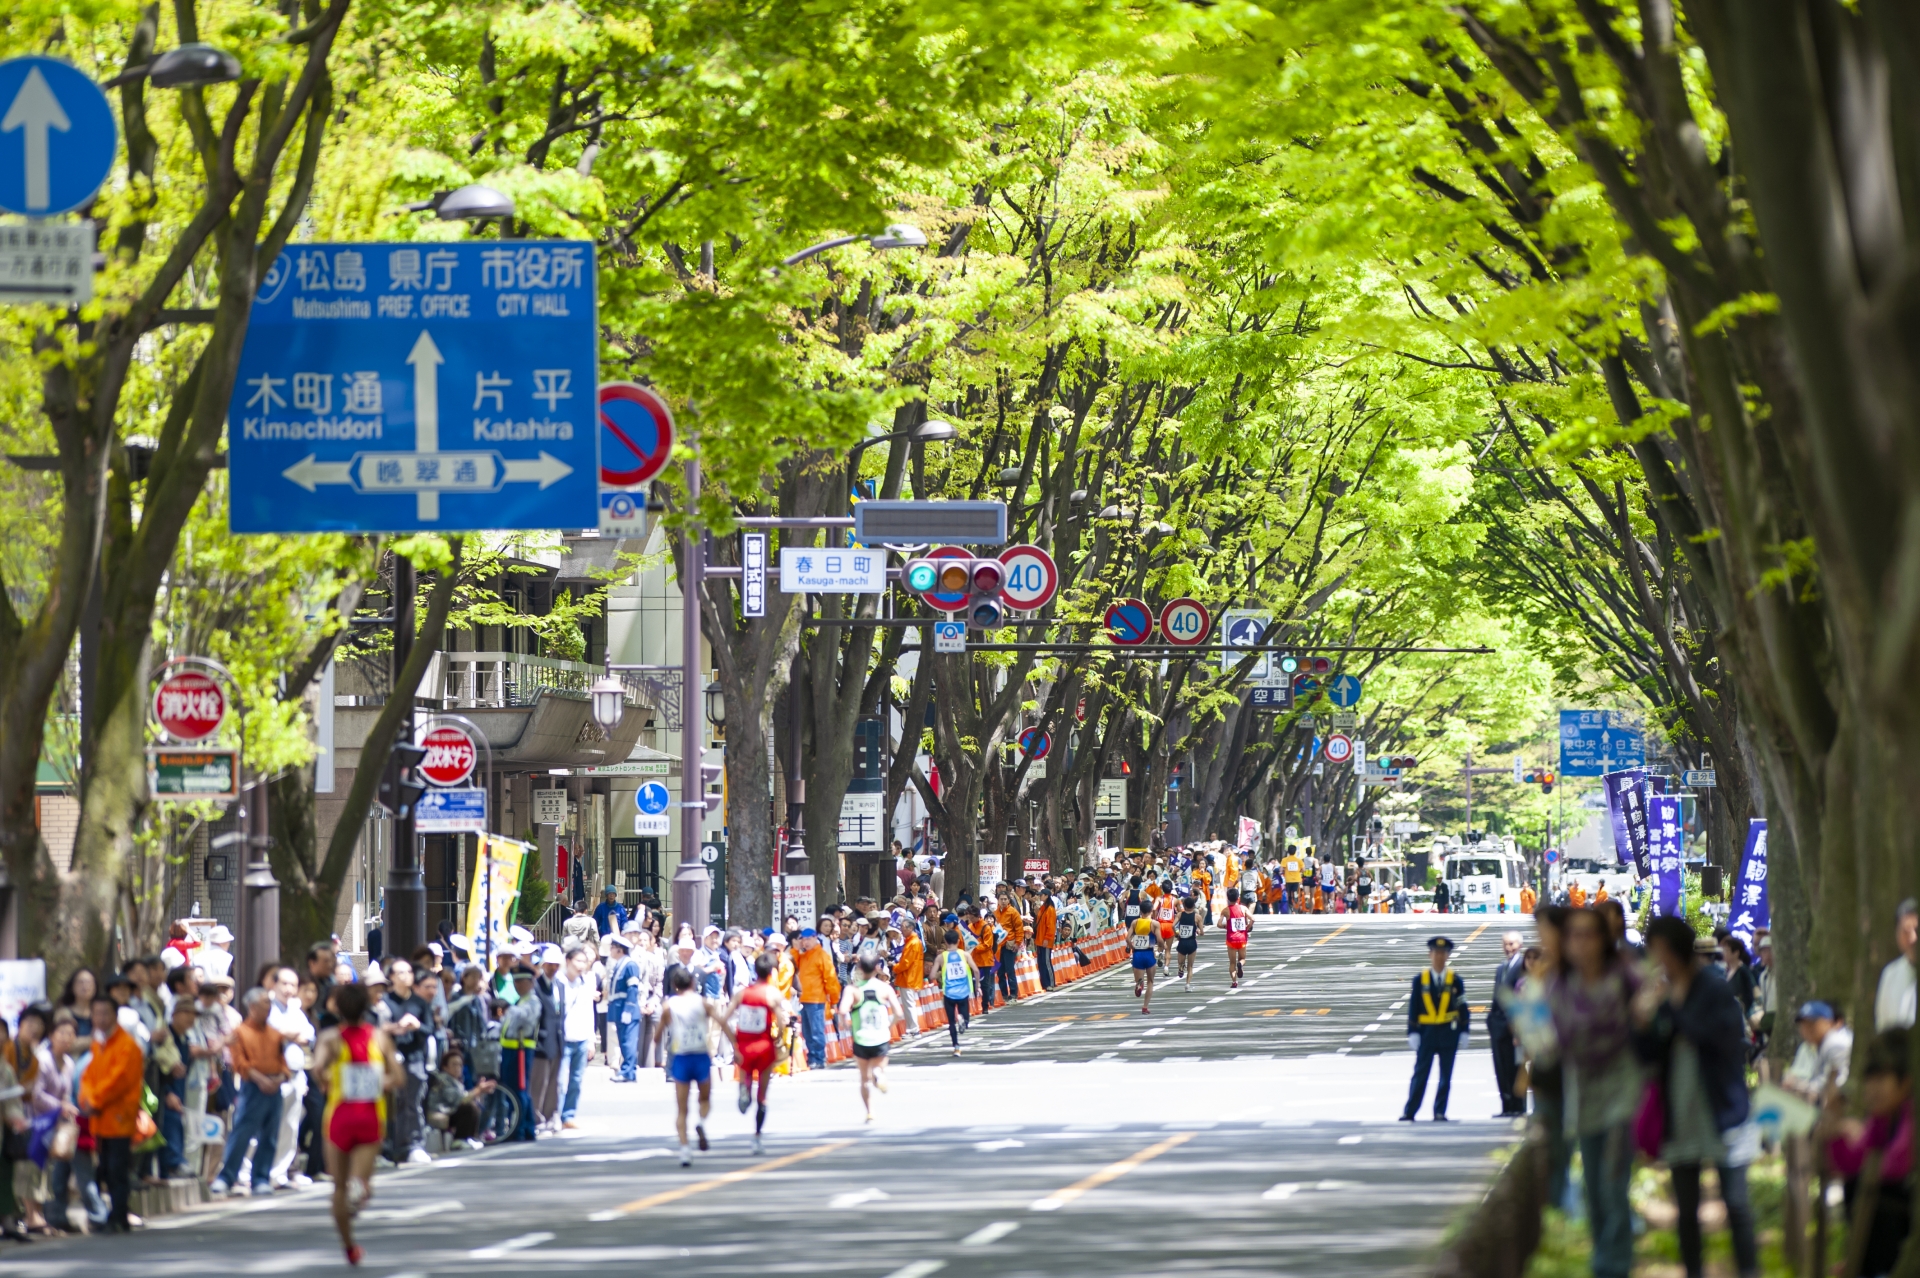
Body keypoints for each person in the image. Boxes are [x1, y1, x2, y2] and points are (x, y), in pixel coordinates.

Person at [1635, 914, 1760, 1278]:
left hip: (1723, 1109)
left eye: (1660, 951)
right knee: (1686, 1210)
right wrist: (1640, 1025)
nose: (1658, 961)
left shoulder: (1713, 990)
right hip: (1681, 1111)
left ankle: (1749, 1270)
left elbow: (1721, 1040)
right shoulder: (1665, 995)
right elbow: (1649, 1055)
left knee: (1736, 1203)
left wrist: (1673, 1010)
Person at [1549, 907, 1642, 1278]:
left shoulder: (1625, 977)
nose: (1582, 943)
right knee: (1592, 1187)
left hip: (1623, 1093)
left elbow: (1649, 1022)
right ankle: (1603, 1257)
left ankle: (1613, 1265)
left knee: (1613, 1183)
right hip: (1584, 1098)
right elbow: (1551, 1045)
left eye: (1589, 934)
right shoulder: (1560, 986)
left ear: (1603, 939)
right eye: (1574, 935)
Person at [309, 982, 404, 1267]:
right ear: (367, 1006)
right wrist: (379, 1081)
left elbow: (317, 1068)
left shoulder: (329, 1038)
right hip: (369, 1118)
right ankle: (358, 1192)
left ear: (337, 1007)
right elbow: (399, 1078)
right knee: (361, 1183)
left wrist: (326, 1080)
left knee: (338, 1188)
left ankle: (349, 1246)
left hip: (339, 1117)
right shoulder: (379, 1037)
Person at [1823, 1027, 1914, 1277]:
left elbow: (1898, 1163)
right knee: (1854, 1185)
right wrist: (1836, 1129)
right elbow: (1849, 1164)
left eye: (1881, 1079)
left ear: (1905, 1082)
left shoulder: (1910, 1115)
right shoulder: (1880, 1121)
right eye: (1869, 1080)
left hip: (1900, 1235)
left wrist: (1865, 1163)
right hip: (1877, 1246)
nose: (1872, 1089)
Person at [211, 988, 288, 1199]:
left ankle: (261, 1178)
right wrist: (262, 1080)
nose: (269, 1007)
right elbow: (240, 1063)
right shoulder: (240, 1032)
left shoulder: (275, 1034)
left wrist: (280, 1078)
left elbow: (283, 1062)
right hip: (253, 1086)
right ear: (252, 1007)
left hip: (274, 1085)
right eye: (265, 1003)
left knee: (270, 1134)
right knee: (242, 1132)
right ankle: (226, 1177)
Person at [654, 967, 734, 1166]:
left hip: (681, 1057)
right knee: (705, 1099)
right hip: (700, 1055)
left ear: (675, 986)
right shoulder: (703, 1003)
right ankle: (701, 1122)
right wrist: (736, 1046)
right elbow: (722, 1023)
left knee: (682, 1109)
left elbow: (657, 1035)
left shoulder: (669, 1006)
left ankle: (684, 1150)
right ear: (692, 983)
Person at [727, 953, 789, 1154]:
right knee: (762, 1094)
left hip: (744, 1045)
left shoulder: (742, 994)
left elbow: (724, 1018)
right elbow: (782, 1019)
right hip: (764, 1045)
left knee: (745, 1074)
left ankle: (744, 1089)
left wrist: (734, 1040)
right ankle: (757, 1136)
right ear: (771, 972)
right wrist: (779, 1037)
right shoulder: (773, 994)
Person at [1402, 936, 1469, 1123]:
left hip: (1448, 1033)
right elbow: (1414, 1007)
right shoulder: (1420, 980)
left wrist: (1465, 1029)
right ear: (1429, 955)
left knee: (1445, 1075)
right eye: (1436, 953)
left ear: (1447, 955)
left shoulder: (1455, 981)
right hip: (1427, 1034)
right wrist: (1412, 1032)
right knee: (1420, 1073)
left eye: (1443, 953)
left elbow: (1462, 1007)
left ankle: (1440, 1111)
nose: (1439, 956)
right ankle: (1410, 1111)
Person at [379, 958, 433, 1164]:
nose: (406, 976)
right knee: (391, 1104)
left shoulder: (419, 1002)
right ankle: (388, 1147)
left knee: (412, 1103)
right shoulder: (385, 1002)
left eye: (409, 972)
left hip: (414, 1058)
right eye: (400, 973)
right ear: (391, 977)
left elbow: (429, 1029)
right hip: (390, 1059)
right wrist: (394, 1028)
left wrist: (416, 1025)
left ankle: (414, 1144)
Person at [837, 955, 905, 1123]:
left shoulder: (852, 990)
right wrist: (889, 1026)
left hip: (861, 1037)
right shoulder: (885, 988)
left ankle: (870, 1111)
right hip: (880, 1037)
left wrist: (846, 1025)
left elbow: (843, 1010)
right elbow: (899, 1012)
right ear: (877, 968)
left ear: (859, 968)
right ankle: (878, 1073)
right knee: (878, 1069)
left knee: (864, 1078)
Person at [496, 970, 542, 1143]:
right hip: (510, 1049)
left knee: (519, 1091)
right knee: (513, 1090)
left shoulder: (532, 1001)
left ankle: (520, 1128)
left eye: (522, 982)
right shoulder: (520, 1001)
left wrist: (509, 1009)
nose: (518, 985)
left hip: (521, 1050)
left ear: (530, 983)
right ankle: (525, 1128)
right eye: (516, 982)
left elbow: (525, 1018)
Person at [1785, 999, 1854, 1100]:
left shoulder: (1836, 1044)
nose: (1806, 1029)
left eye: (1812, 1024)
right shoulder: (1822, 1043)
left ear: (1829, 1023)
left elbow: (1838, 1082)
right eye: (1803, 1025)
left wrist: (1799, 1086)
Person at [1488, 931, 1526, 1117]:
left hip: (1513, 1027)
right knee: (1501, 1068)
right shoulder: (1501, 968)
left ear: (1519, 945)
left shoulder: (1522, 967)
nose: (1508, 948)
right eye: (1505, 944)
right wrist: (1491, 1020)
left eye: (1511, 944)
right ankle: (1506, 1106)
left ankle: (1518, 1106)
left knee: (1515, 1069)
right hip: (1498, 1027)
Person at [559, 944, 595, 1129]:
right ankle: (556, 1114)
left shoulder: (585, 984)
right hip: (563, 1038)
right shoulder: (559, 982)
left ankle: (568, 1115)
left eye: (584, 962)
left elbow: (589, 1012)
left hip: (581, 1038)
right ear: (568, 961)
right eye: (578, 961)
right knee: (560, 1081)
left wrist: (591, 1040)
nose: (581, 965)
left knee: (576, 1080)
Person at [792, 929, 840, 1070]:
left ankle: (819, 1058)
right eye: (803, 939)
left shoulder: (822, 955)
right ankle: (812, 1057)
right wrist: (796, 949)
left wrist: (834, 999)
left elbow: (831, 978)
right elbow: (793, 965)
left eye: (808, 939)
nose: (805, 942)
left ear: (815, 938)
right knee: (807, 1032)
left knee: (816, 1030)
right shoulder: (803, 956)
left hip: (816, 999)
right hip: (803, 999)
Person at [425, 1047, 491, 1148]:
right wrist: (478, 1090)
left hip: (451, 1110)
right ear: (445, 1067)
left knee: (473, 1106)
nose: (458, 1068)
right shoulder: (443, 1080)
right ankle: (459, 1140)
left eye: (460, 1065)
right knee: (468, 1107)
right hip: (441, 1112)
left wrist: (479, 1092)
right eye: (454, 1064)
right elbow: (458, 1099)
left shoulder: (457, 1081)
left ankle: (468, 1138)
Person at [936, 929, 981, 1056]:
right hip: (963, 991)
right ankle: (963, 1020)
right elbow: (976, 971)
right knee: (965, 1017)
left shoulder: (941, 957)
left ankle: (956, 1047)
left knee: (951, 1022)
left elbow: (932, 974)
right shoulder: (965, 955)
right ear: (958, 941)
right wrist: (977, 985)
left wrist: (940, 973)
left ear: (945, 941)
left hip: (948, 993)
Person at [1875, 899, 1917, 1031]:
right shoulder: (1890, 974)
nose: (1913, 938)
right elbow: (1882, 1025)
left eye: (1917, 930)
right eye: (1905, 931)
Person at [1222, 886, 1252, 987]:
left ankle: (1234, 981)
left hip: (1231, 939)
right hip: (1242, 938)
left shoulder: (1225, 910)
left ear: (1228, 898)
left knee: (1232, 963)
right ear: (1238, 897)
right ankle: (1241, 964)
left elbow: (1218, 924)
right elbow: (1253, 918)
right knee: (1242, 959)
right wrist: (1248, 927)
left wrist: (1226, 926)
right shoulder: (1243, 908)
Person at [1174, 893, 1203, 991]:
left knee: (1180, 962)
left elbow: (1173, 926)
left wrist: (1176, 934)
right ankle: (1187, 984)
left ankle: (1181, 967)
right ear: (1194, 905)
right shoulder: (1197, 917)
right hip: (1192, 943)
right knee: (1190, 966)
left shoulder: (1180, 914)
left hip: (1182, 942)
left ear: (1184, 905)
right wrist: (1198, 931)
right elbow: (1202, 932)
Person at [1129, 916, 1158, 1014]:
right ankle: (1145, 1007)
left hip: (1137, 954)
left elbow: (1127, 938)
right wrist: (1162, 947)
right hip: (1149, 953)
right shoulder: (1154, 924)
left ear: (1141, 912)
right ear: (1151, 911)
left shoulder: (1135, 923)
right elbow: (1160, 940)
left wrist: (1132, 947)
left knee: (1138, 980)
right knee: (1150, 981)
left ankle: (1139, 984)